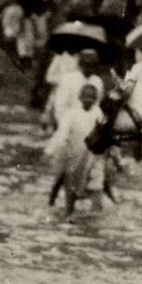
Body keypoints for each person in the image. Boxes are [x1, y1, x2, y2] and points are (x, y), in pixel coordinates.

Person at [45, 82, 105, 217]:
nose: (88, 100)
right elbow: (61, 134)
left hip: (93, 158)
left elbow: (105, 136)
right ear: (80, 98)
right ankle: (56, 206)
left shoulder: (99, 114)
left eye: (92, 97)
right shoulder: (72, 114)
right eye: (86, 97)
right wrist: (50, 151)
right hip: (74, 157)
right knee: (66, 183)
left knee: (97, 185)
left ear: (96, 99)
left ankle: (95, 215)